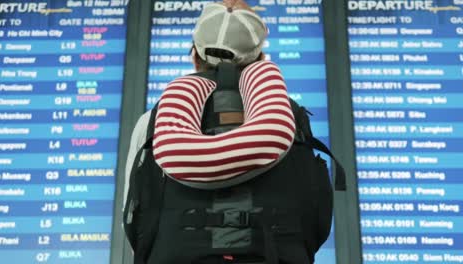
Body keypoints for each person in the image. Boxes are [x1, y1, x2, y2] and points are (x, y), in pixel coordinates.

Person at [123, 0, 335, 263]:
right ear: (261, 59)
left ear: (195, 56)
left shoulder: (152, 122)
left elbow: (133, 220)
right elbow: (316, 219)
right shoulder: (291, 120)